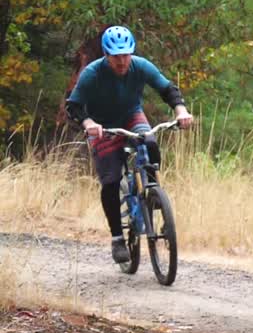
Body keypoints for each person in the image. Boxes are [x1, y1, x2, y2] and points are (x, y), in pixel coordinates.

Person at [64, 26, 195, 264]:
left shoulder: (141, 66)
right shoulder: (92, 73)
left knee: (150, 142)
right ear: (106, 55)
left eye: (126, 54)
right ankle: (117, 237)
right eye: (116, 56)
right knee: (111, 180)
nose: (122, 61)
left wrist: (181, 110)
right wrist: (88, 122)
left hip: (131, 116)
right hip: (102, 126)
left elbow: (167, 89)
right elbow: (73, 105)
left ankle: (152, 193)